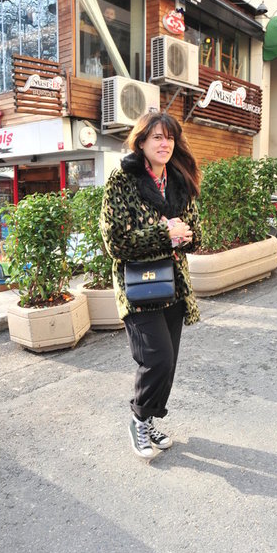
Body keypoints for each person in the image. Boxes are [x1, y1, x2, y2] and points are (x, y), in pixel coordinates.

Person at [100, 112, 202, 460]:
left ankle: (149, 419)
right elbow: (115, 241)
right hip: (139, 287)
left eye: (170, 137)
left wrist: (186, 236)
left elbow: (196, 233)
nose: (165, 144)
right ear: (141, 141)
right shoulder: (122, 180)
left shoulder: (180, 180)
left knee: (168, 364)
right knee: (156, 359)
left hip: (173, 286)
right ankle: (138, 420)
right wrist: (164, 234)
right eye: (157, 137)